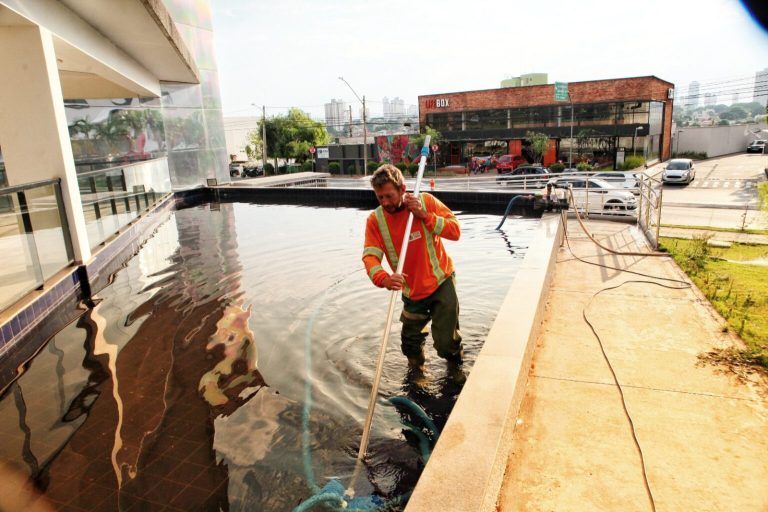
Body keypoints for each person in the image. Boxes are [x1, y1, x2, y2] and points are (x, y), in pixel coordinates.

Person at [362, 164, 465, 383]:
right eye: (380, 198)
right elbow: (370, 257)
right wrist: (384, 278)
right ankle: (418, 375)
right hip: (412, 292)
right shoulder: (376, 220)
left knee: (446, 344)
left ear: (402, 189)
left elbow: (455, 231)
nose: (386, 202)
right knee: (409, 345)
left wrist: (425, 216)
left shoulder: (425, 201)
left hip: (441, 282)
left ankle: (455, 368)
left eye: (389, 195)